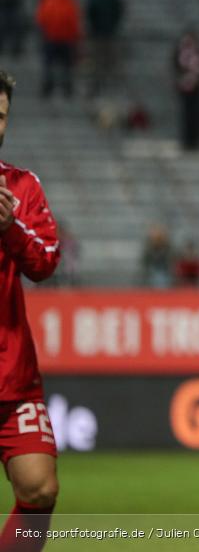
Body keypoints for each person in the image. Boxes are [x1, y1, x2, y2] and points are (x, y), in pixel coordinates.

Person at [0, 70, 61, 551]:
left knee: (39, 489)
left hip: (12, 375)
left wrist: (9, 228)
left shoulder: (20, 187)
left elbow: (44, 263)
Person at [35, 0, 80, 100]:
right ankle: (48, 87)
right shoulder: (48, 0)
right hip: (51, 39)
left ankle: (66, 88)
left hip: (65, 40)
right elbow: (41, 19)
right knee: (49, 65)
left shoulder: (70, 1)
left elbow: (74, 21)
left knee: (66, 66)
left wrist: (74, 37)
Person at [85, 0, 124, 97]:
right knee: (98, 62)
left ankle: (106, 85)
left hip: (106, 34)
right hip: (100, 34)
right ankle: (98, 85)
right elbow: (91, 14)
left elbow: (117, 14)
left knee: (106, 61)